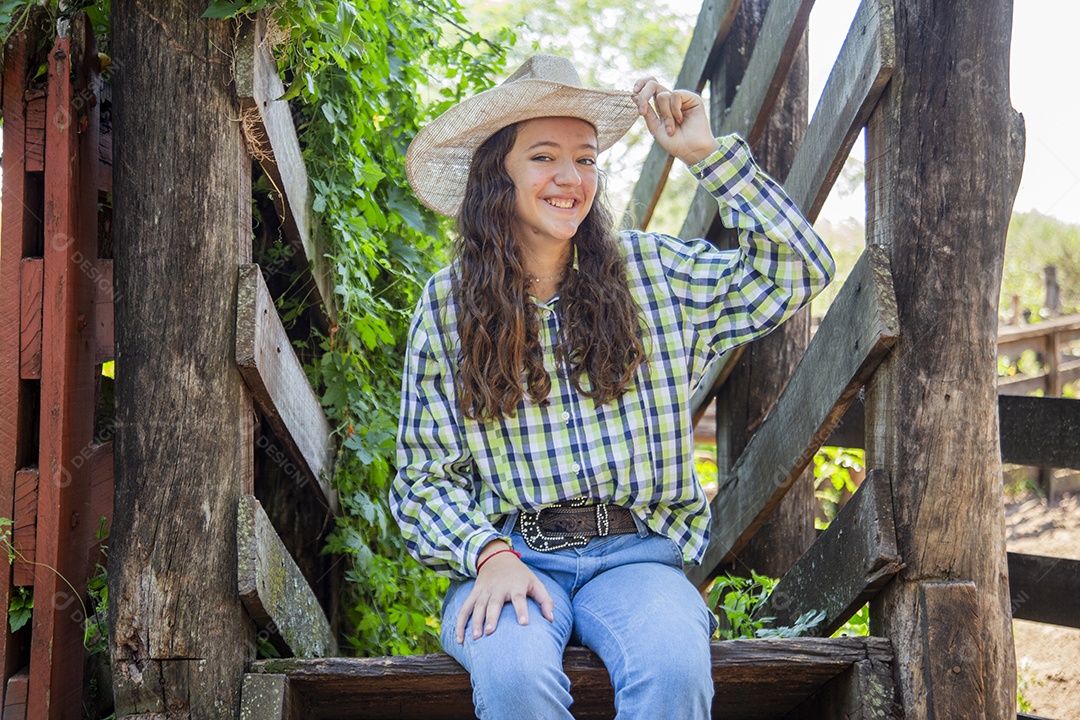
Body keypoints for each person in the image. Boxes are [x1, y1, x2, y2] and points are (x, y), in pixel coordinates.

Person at [390, 54, 834, 720]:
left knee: (673, 670)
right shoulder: (449, 304)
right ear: (497, 174)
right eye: (544, 156)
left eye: (587, 159)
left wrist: (706, 155)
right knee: (513, 682)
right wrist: (488, 553)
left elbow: (798, 272)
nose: (571, 178)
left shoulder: (654, 273)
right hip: (516, 555)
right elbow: (423, 480)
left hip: (639, 558)